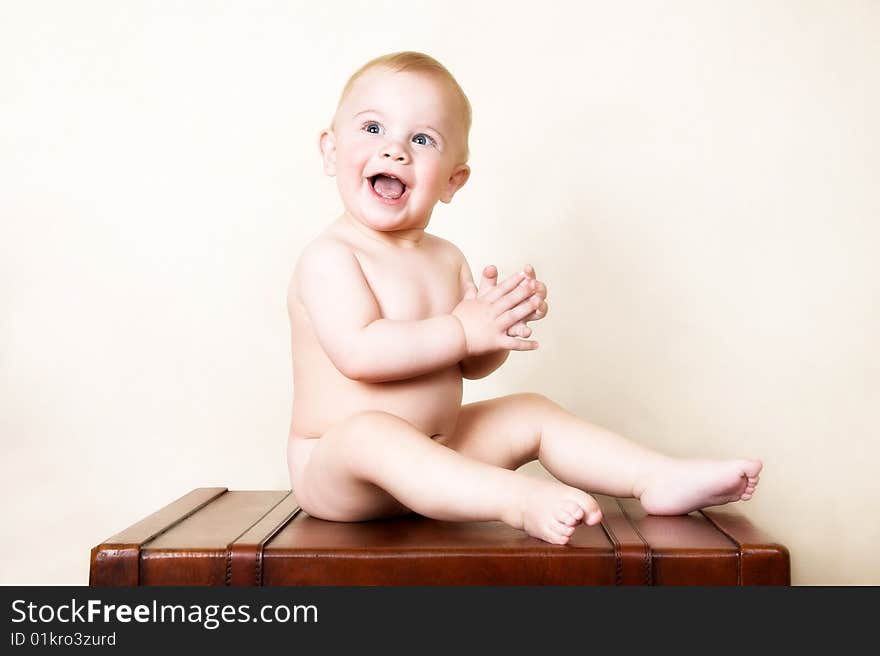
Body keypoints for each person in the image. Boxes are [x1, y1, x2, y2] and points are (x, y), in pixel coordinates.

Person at [286, 51, 761, 544]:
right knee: (370, 432)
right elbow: (359, 353)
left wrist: (493, 330)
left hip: (439, 452)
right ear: (330, 151)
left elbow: (466, 366)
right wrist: (462, 329)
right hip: (340, 470)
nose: (395, 151)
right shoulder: (332, 256)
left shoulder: (446, 258)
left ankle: (655, 477)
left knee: (530, 411)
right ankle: (516, 499)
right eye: (372, 129)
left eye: (422, 139)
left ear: (453, 180)